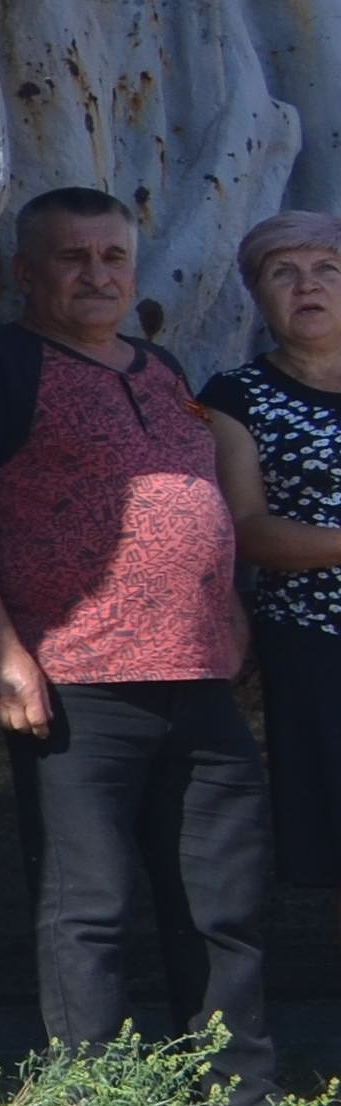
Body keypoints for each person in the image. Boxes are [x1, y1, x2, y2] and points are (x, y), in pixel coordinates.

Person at [0, 191, 279, 1106]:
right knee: (91, 907)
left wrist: (227, 606)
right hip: (79, 680)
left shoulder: (161, 369)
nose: (97, 274)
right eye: (72, 257)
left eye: (114, 256)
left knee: (224, 907)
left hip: (196, 679)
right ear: (25, 273)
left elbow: (202, 509)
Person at [203, 209, 341, 1013]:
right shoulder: (235, 395)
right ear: (258, 296)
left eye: (325, 269)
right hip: (320, 647)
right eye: (283, 274)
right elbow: (246, 530)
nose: (307, 286)